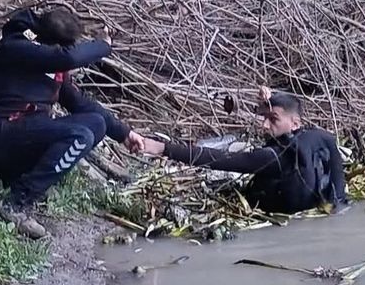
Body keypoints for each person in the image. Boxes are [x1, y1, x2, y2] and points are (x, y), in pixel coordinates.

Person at [0, 7, 144, 238]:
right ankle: (16, 202)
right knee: (80, 136)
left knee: (96, 123)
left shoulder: (52, 65)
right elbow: (68, 58)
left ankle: (22, 178)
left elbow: (79, 103)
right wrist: (104, 46)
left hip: (20, 138)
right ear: (54, 44)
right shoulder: (17, 47)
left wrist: (123, 133)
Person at [140, 87, 348, 214]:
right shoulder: (325, 138)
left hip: (285, 216)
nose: (264, 126)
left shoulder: (274, 157)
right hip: (327, 208)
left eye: (272, 119)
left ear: (295, 123)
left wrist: (163, 148)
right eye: (264, 118)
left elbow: (220, 159)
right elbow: (339, 180)